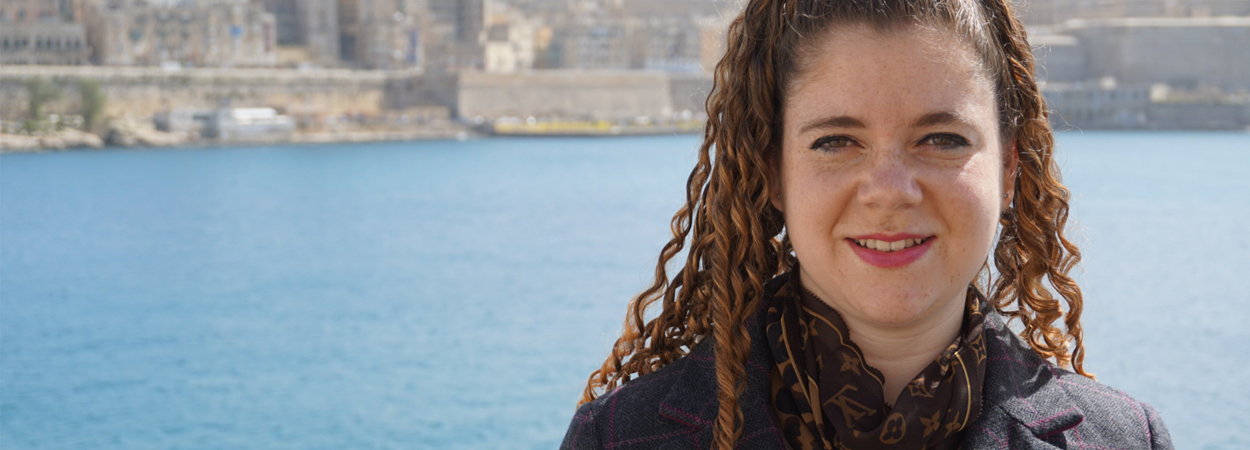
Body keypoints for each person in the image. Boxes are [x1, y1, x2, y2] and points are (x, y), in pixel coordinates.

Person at [560, 0, 1173, 448]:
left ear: (1010, 167)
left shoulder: (1125, 441)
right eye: (835, 142)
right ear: (772, 171)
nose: (889, 191)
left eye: (942, 138)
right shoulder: (617, 438)